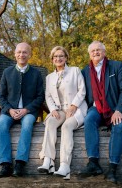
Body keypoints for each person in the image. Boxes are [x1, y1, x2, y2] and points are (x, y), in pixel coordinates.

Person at [80, 41, 122, 184]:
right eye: (93, 51)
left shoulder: (117, 66)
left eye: (98, 50)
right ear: (89, 54)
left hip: (117, 107)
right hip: (97, 108)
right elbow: (81, 94)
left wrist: (118, 110)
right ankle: (93, 163)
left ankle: (112, 168)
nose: (96, 52)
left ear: (104, 52)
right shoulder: (85, 71)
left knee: (119, 125)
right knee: (89, 119)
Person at [38, 46, 88, 180]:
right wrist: (53, 109)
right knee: (50, 122)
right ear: (52, 59)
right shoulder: (49, 77)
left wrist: (73, 106)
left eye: (61, 56)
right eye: (55, 56)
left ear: (66, 58)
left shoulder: (75, 71)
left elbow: (82, 90)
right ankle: (48, 161)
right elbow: (48, 96)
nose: (58, 58)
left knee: (66, 127)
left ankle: (65, 165)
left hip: (76, 109)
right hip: (59, 110)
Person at [0, 42, 45, 178]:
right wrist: (9, 110)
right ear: (15, 54)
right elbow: (0, 96)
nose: (21, 55)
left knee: (27, 125)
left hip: (28, 112)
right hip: (9, 111)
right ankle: (5, 164)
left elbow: (40, 96)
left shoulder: (36, 74)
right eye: (19, 52)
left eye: (24, 52)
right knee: (1, 125)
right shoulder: (7, 72)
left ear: (29, 54)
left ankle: (20, 163)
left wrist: (26, 110)